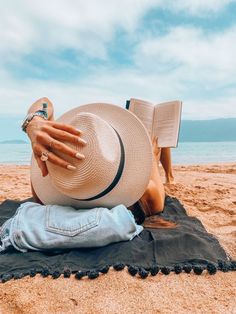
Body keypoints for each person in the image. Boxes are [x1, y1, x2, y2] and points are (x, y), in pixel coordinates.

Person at [26, 97, 175, 228]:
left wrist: (34, 122)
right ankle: (171, 176)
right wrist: (152, 157)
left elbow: (44, 102)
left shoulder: (45, 200)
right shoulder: (147, 199)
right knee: (155, 141)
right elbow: (154, 176)